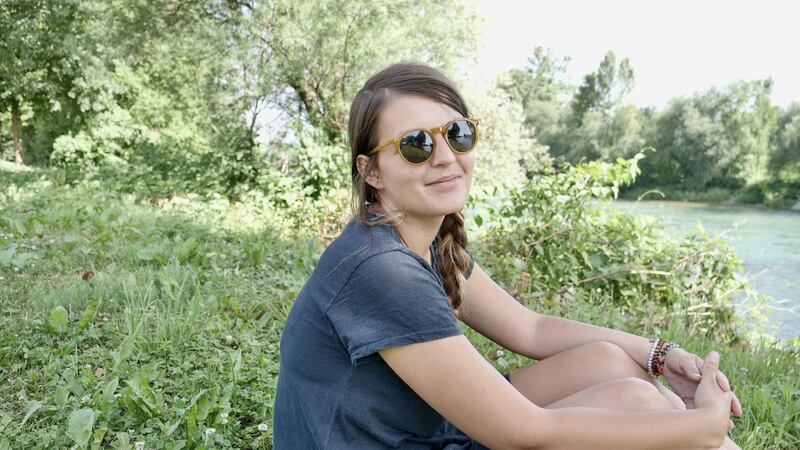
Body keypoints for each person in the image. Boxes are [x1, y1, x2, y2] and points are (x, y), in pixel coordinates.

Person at [273, 62, 742, 449]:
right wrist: (697, 427)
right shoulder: (381, 272)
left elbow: (530, 328)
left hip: (421, 432)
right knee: (645, 409)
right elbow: (524, 436)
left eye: (455, 134)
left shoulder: (422, 242)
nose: (443, 156)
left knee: (607, 361)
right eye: (415, 145)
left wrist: (665, 355)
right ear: (371, 170)